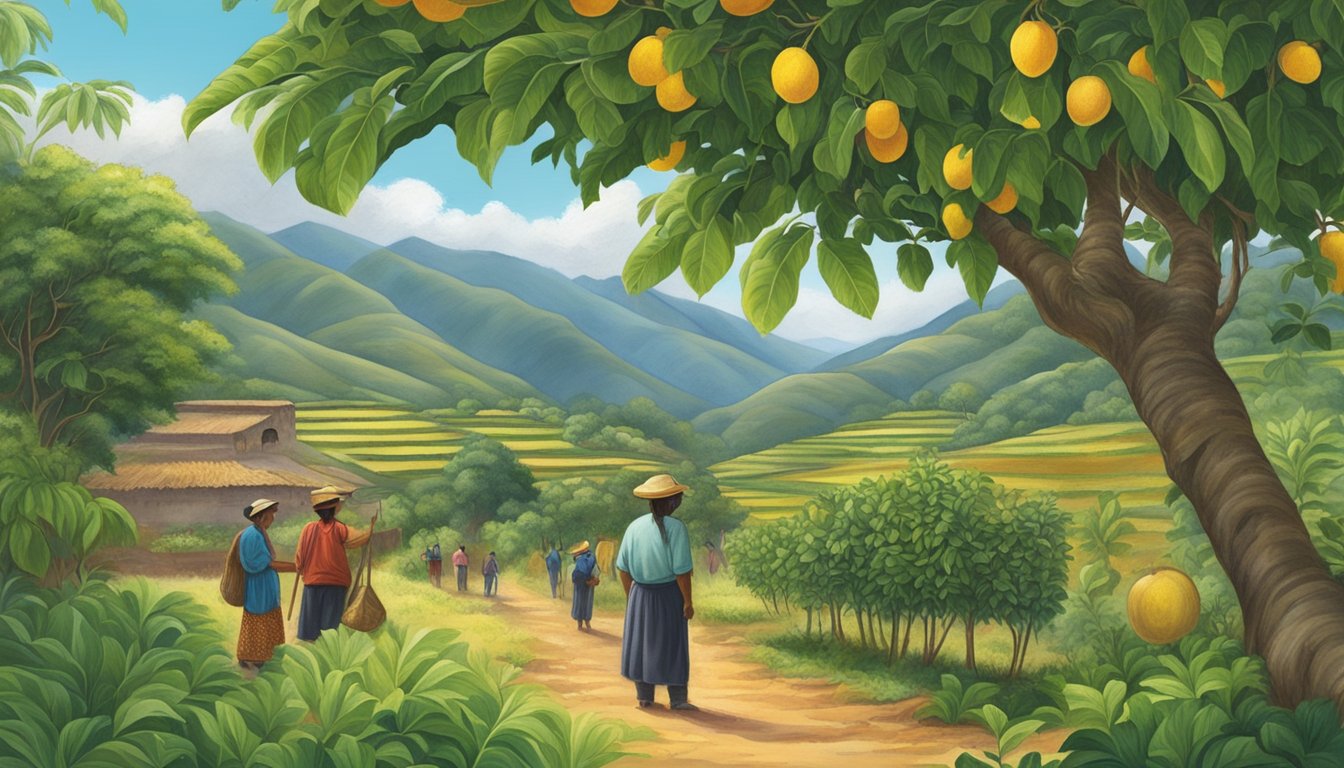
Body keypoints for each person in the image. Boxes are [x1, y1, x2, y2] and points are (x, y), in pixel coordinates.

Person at [616, 473, 696, 711]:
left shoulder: (634, 527)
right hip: (669, 595)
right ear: (672, 501)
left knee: (642, 644)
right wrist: (687, 602)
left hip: (640, 594)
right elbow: (682, 571)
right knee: (672, 644)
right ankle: (678, 699)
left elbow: (622, 568)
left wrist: (631, 596)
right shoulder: (677, 528)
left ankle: (644, 696)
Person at [294, 486, 376, 642]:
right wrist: (370, 529)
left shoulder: (308, 529)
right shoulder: (340, 528)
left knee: (311, 623)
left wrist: (301, 568)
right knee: (330, 627)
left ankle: (311, 648)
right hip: (335, 583)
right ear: (335, 509)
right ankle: (327, 652)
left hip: (313, 582)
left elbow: (299, 558)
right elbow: (359, 539)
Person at [237, 498, 294, 670]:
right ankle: (255, 658)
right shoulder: (253, 535)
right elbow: (265, 563)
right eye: (271, 514)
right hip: (259, 588)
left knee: (263, 618)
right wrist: (294, 567)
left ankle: (261, 656)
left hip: (263, 587)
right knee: (259, 619)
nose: (273, 518)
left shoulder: (257, 532)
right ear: (262, 516)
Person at [570, 540, 598, 631]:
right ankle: (585, 623)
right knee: (586, 602)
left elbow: (578, 572)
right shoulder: (590, 557)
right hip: (586, 582)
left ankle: (581, 623)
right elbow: (595, 569)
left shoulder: (582, 558)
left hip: (582, 583)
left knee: (580, 601)